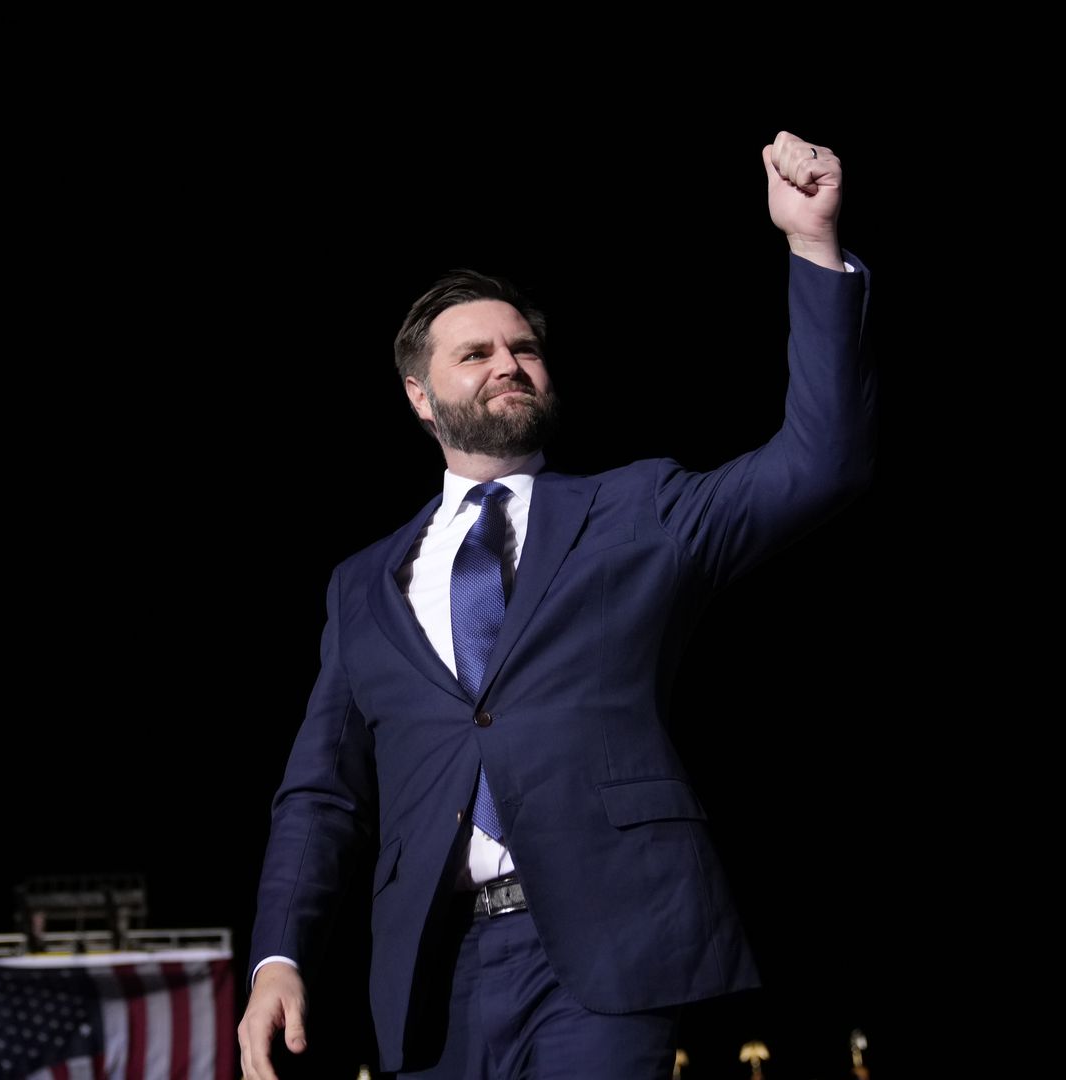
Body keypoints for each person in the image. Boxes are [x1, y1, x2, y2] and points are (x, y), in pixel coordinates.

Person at [239, 129, 873, 1080]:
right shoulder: (362, 586)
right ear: (419, 395)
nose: (509, 363)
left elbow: (818, 463)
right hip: (430, 973)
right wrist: (278, 955)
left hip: (604, 953)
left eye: (524, 347)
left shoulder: (637, 510)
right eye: (476, 353)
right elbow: (320, 794)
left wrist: (812, 248)